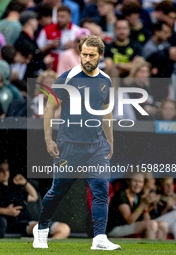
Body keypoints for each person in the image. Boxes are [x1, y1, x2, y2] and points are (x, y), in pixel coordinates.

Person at [33, 35, 121, 250]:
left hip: (96, 146)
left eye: (92, 55)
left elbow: (106, 112)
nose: (87, 58)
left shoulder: (105, 80)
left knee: (100, 187)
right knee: (58, 191)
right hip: (68, 145)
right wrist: (48, 139)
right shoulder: (67, 77)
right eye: (84, 54)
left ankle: (99, 238)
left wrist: (109, 140)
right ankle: (41, 230)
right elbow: (50, 108)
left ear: (101, 56)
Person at [0, 159, 70, 238]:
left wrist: (25, 183)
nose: (5, 173)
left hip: (31, 221)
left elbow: (34, 196)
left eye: (7, 170)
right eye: (1, 170)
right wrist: (6, 211)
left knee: (64, 229)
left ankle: (48, 250)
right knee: (42, 230)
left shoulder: (14, 187)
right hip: (18, 224)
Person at [107, 172, 168, 239]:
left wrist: (146, 206)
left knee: (163, 225)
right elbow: (130, 221)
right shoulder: (121, 194)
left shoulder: (139, 195)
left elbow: (147, 220)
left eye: (140, 182)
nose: (137, 184)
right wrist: (143, 204)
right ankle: (149, 249)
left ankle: (158, 249)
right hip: (114, 229)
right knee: (151, 225)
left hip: (130, 226)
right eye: (135, 181)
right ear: (128, 182)